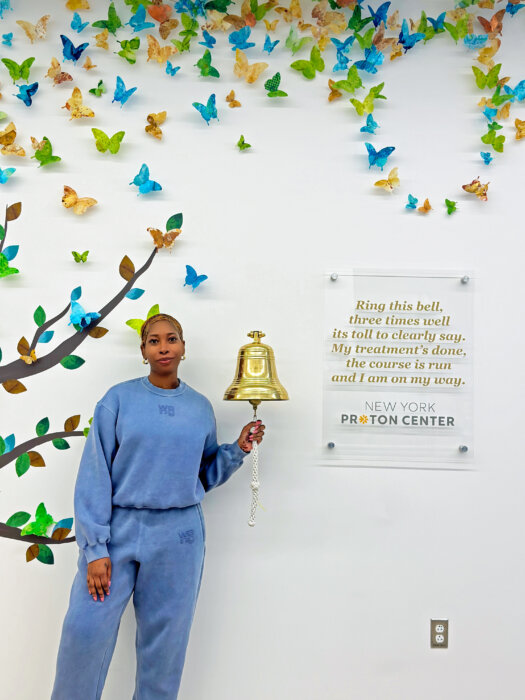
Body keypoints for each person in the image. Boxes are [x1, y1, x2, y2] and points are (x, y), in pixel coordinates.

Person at [50, 313, 265, 699]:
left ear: (183, 347)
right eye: (153, 340)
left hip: (179, 536)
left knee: (164, 649)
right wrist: (95, 547)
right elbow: (95, 474)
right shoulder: (117, 400)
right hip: (117, 532)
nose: (163, 347)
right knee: (84, 634)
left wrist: (238, 450)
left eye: (171, 339)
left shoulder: (199, 408)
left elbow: (201, 476)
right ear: (143, 350)